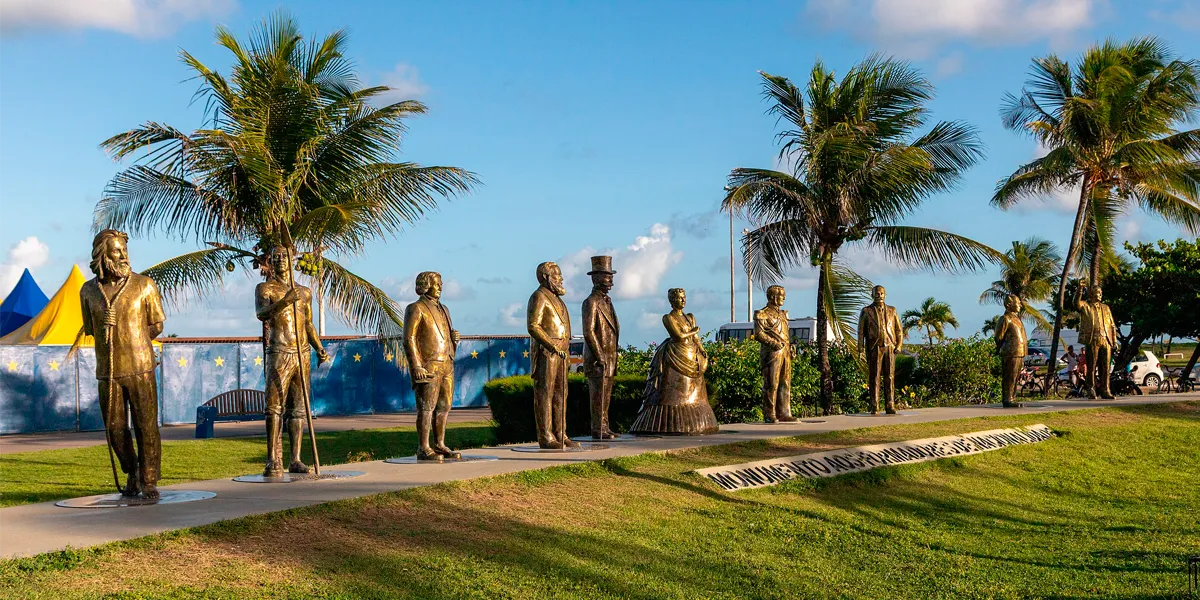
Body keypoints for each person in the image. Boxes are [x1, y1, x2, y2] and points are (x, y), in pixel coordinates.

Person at [80, 230, 166, 499]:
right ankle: (132, 471)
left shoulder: (144, 285)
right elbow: (91, 330)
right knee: (115, 429)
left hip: (140, 367)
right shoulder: (89, 291)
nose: (123, 255)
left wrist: (135, 340)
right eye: (117, 251)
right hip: (108, 370)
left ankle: (149, 478)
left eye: (124, 250)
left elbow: (157, 325)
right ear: (102, 255)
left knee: (146, 425)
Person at [255, 246, 330, 477]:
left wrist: (319, 348)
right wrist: (285, 301)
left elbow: (308, 324)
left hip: (302, 353)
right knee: (274, 408)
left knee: (298, 409)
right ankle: (271, 460)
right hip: (279, 351)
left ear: (291, 260)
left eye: (284, 256)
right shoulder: (265, 288)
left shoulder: (304, 292)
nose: (280, 260)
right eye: (275, 256)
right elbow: (262, 314)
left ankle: (296, 459)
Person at [629, 288, 720, 435]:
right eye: (679, 298)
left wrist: (702, 348)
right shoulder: (668, 318)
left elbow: (695, 339)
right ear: (672, 301)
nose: (683, 300)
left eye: (684, 297)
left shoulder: (690, 317)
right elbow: (678, 336)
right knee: (673, 393)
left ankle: (699, 420)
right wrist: (693, 331)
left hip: (693, 355)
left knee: (695, 393)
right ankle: (665, 422)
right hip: (675, 355)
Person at [403, 271, 461, 461]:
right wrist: (417, 366)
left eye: (441, 283)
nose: (441, 287)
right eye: (437, 283)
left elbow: (445, 337)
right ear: (425, 286)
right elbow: (409, 339)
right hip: (428, 366)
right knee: (426, 407)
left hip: (447, 364)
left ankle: (440, 443)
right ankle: (423, 447)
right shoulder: (416, 308)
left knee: (444, 406)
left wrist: (454, 341)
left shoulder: (445, 309)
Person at [527, 262, 577, 449]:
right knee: (545, 393)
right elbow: (533, 326)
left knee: (561, 393)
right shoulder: (539, 297)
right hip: (547, 352)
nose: (561, 279)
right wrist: (551, 344)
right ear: (546, 277)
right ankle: (546, 436)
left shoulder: (557, 299)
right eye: (557, 276)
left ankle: (561, 433)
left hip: (562, 352)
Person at [581, 256, 620, 440]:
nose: (611, 281)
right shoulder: (591, 302)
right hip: (598, 359)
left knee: (606, 396)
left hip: (610, 358)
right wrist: (600, 355)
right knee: (598, 396)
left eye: (611, 276)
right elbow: (589, 332)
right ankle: (597, 429)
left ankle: (605, 426)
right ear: (595, 279)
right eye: (607, 277)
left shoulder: (608, 302)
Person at [857, 285, 904, 414]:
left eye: (882, 293)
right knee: (875, 377)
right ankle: (875, 405)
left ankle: (890, 404)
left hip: (890, 346)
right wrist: (860, 349)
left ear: (885, 295)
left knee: (890, 376)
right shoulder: (866, 311)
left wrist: (899, 345)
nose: (879, 295)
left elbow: (899, 330)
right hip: (874, 347)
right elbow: (861, 332)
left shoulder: (892, 310)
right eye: (877, 293)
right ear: (872, 295)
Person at [754, 285, 798, 423]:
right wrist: (773, 343)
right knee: (771, 383)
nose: (784, 298)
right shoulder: (762, 314)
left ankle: (784, 413)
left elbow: (785, 334)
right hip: (771, 352)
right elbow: (759, 334)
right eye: (781, 295)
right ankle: (769, 413)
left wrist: (790, 348)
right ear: (772, 297)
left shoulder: (783, 314)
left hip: (784, 351)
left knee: (785, 382)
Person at [1076, 282, 1118, 399]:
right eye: (1097, 292)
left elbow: (1112, 325)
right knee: (1091, 366)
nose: (1099, 295)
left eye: (1100, 293)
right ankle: (1091, 388)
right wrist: (1080, 289)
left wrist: (1114, 340)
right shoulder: (1086, 306)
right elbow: (1076, 303)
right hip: (1092, 339)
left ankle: (1105, 389)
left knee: (1106, 367)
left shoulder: (1106, 308)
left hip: (1106, 339)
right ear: (1091, 294)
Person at [994, 294, 1027, 408]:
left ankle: (1012, 397)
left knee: (1016, 376)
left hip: (1019, 352)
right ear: (1009, 304)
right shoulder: (1005, 319)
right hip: (1010, 352)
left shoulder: (1016, 319)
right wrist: (1005, 347)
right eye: (1017, 303)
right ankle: (1007, 399)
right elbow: (998, 337)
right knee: (1010, 376)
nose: (1020, 305)